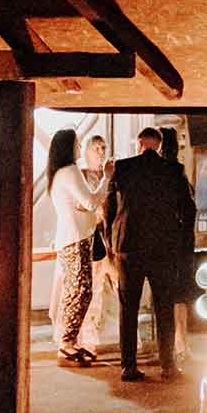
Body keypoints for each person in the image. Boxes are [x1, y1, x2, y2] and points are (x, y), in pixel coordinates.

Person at [101, 127, 196, 382]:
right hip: (163, 248)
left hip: (129, 247)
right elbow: (189, 209)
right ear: (159, 144)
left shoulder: (122, 168)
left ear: (140, 143)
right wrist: (184, 243)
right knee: (163, 306)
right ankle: (168, 365)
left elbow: (109, 209)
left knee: (128, 307)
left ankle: (128, 366)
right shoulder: (174, 171)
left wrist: (111, 243)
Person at [45, 129, 106, 365]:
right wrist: (106, 178)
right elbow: (91, 202)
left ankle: (68, 341)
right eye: (77, 144)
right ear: (68, 147)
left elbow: (81, 204)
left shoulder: (58, 174)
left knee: (74, 291)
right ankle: (67, 343)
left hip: (70, 239)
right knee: (81, 291)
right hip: (75, 239)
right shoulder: (70, 171)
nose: (80, 147)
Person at [155, 126, 196, 370]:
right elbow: (189, 209)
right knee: (180, 296)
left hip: (165, 244)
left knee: (168, 297)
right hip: (182, 244)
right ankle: (181, 343)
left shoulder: (158, 173)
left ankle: (174, 345)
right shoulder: (178, 173)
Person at [77, 134, 113, 352]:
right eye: (96, 148)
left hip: (110, 238)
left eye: (103, 148)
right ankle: (86, 338)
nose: (101, 152)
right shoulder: (81, 176)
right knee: (92, 289)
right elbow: (85, 205)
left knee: (110, 290)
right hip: (92, 238)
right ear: (87, 151)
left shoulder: (109, 175)